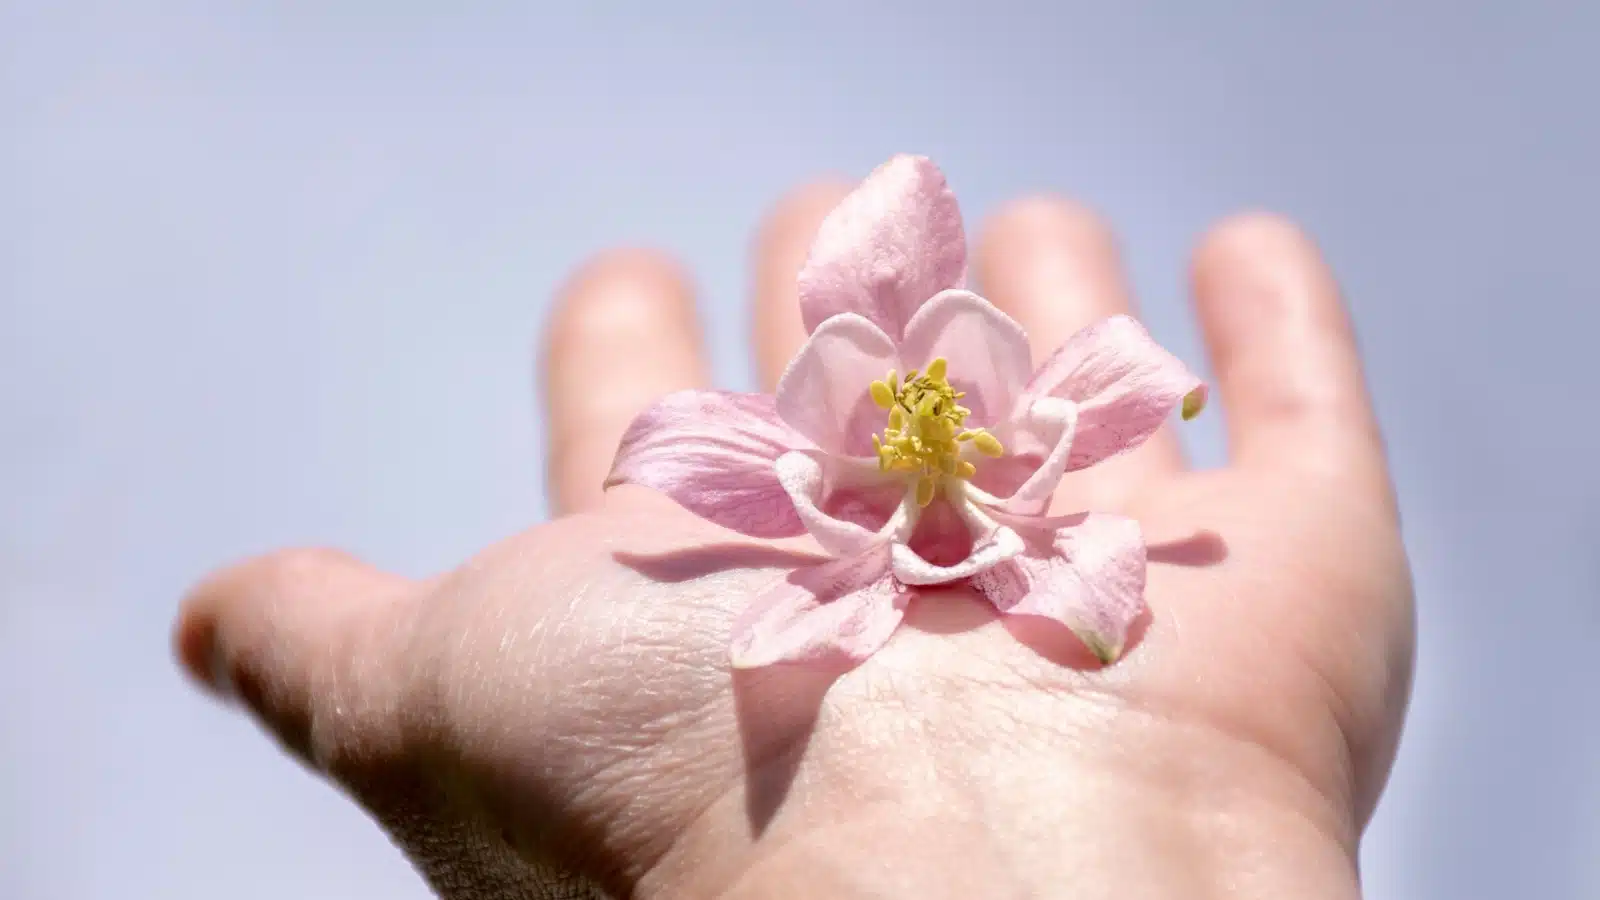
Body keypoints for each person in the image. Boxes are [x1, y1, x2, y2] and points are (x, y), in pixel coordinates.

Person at [173, 181, 1414, 899]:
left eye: (941, 411)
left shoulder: (1076, 555)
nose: (928, 426)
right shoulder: (791, 558)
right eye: (908, 411)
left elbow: (1100, 564)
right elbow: (731, 538)